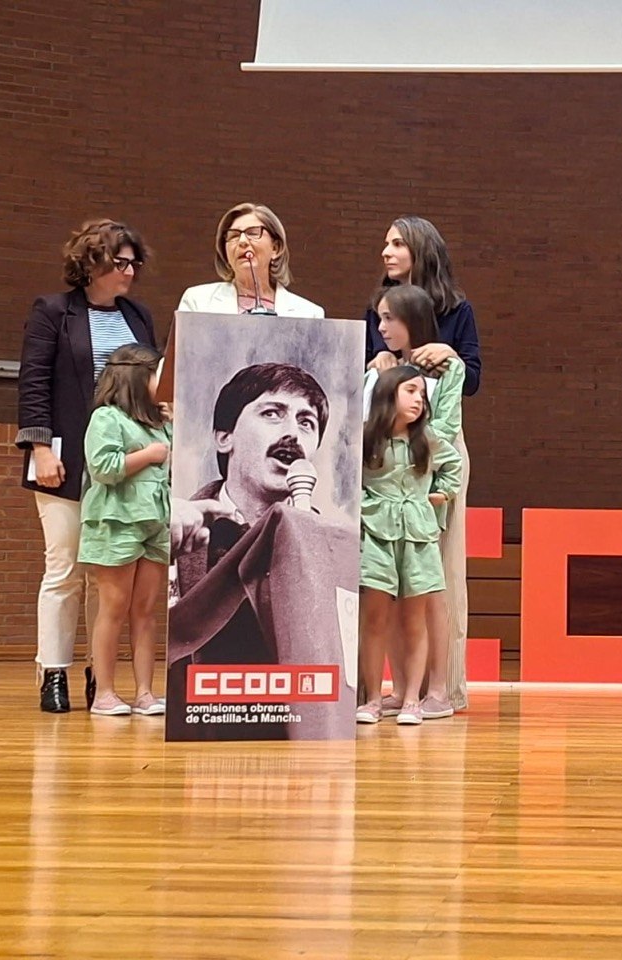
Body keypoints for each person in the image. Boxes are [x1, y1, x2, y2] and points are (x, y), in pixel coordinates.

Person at [166, 362, 358, 741]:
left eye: (306, 422)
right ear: (225, 437)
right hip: (198, 741)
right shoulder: (176, 526)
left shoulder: (336, 546)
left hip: (299, 740)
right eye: (272, 413)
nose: (292, 433)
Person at [16, 219, 156, 713]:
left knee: (109, 572)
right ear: (91, 262)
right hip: (66, 460)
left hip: (125, 465)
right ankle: (53, 671)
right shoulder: (54, 311)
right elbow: (34, 382)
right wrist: (40, 448)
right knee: (65, 568)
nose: (129, 272)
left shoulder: (139, 316)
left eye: (134, 263)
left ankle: (102, 674)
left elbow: (150, 386)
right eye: (120, 262)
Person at [363, 216, 480, 711]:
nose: (386, 251)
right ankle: (400, 685)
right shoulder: (379, 312)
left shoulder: (457, 309)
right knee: (389, 578)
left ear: (421, 249)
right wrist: (377, 364)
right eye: (385, 243)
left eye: (397, 243)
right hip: (386, 461)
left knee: (437, 575)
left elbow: (470, 379)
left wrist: (449, 355)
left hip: (433, 455)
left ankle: (441, 686)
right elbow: (371, 386)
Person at [356, 365, 462, 726]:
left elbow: (453, 465)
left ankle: (413, 699)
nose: (418, 400)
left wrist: (443, 493)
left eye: (421, 394)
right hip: (376, 534)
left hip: (418, 536)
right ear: (389, 394)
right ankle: (373, 698)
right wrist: (365, 504)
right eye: (410, 391)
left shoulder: (427, 439)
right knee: (374, 618)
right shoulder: (365, 437)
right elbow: (346, 476)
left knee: (415, 619)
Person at [77, 345, 172, 716]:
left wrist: (175, 422)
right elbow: (103, 467)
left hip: (156, 522)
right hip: (117, 520)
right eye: (157, 375)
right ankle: (104, 692)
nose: (164, 383)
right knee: (114, 607)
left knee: (145, 611)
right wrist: (148, 455)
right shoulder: (107, 418)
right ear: (136, 377)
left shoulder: (162, 422)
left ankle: (145, 692)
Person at [178, 203, 325, 317]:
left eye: (253, 233)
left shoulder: (309, 314)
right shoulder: (198, 301)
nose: (242, 241)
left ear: (275, 248)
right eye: (234, 236)